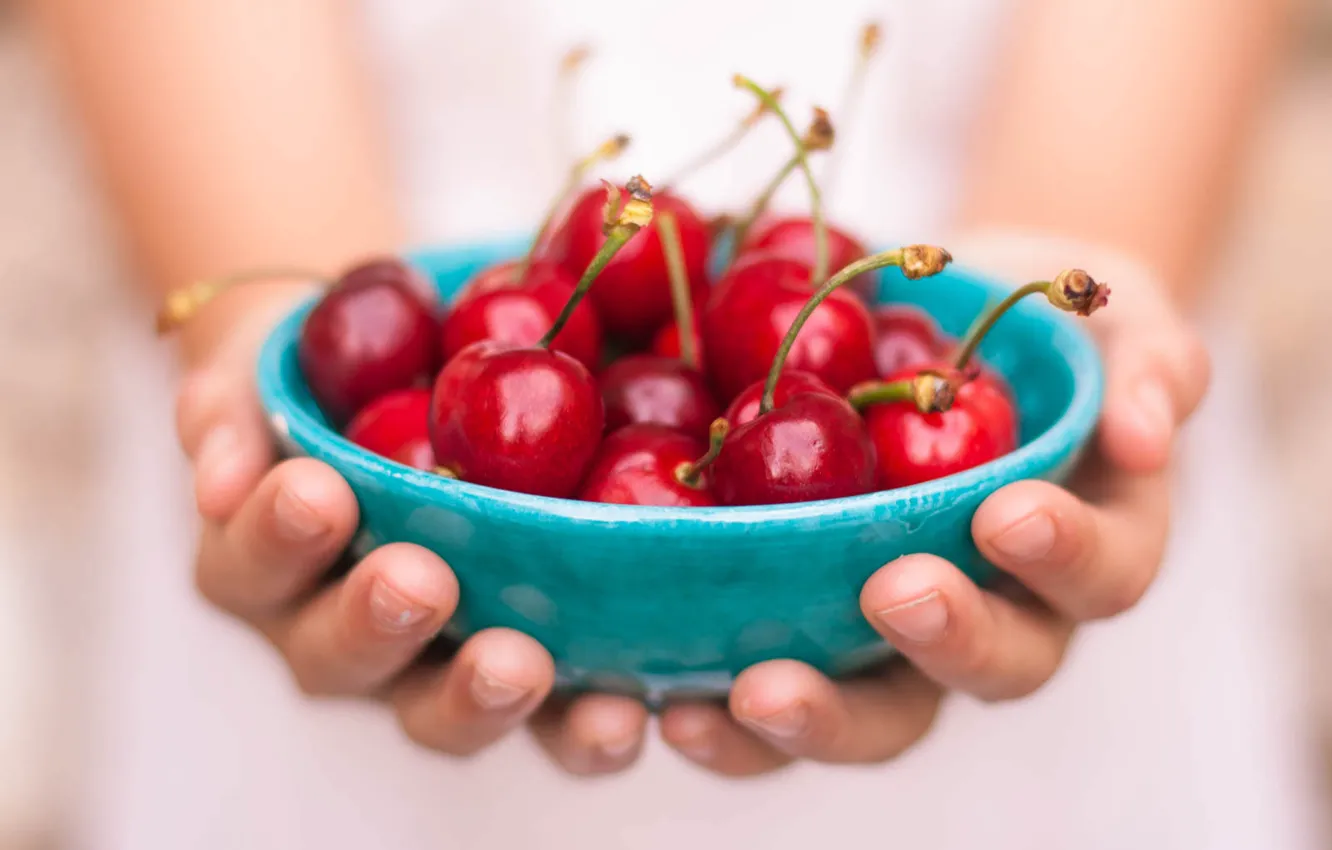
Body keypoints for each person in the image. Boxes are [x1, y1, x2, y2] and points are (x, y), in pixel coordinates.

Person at [22, 0, 1327, 847]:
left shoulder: (865, 359)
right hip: (373, 492)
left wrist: (1082, 251)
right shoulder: (501, 355)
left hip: (1013, 647)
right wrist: (269, 317)